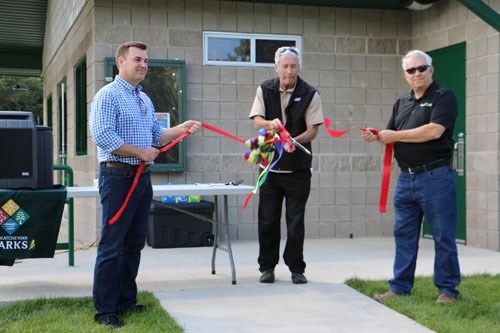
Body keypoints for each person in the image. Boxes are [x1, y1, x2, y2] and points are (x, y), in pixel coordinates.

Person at [89, 41, 201, 328]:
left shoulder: (144, 100)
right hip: (117, 178)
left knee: (135, 243)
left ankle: (127, 301)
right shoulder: (107, 96)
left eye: (146, 61)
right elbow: (102, 135)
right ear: (121, 63)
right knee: (113, 244)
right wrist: (140, 153)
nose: (143, 65)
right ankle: (105, 311)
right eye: (137, 59)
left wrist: (182, 127)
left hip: (141, 179)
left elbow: (156, 136)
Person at [362, 50, 461, 303]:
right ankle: (400, 287)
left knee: (443, 235)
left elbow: (433, 131)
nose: (417, 73)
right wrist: (378, 135)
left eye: (421, 68)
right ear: (405, 75)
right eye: (411, 70)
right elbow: (391, 133)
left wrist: (393, 135)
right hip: (406, 180)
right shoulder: (401, 102)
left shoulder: (443, 97)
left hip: (435, 177)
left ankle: (447, 290)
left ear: (431, 70)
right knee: (403, 235)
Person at [248, 46, 324, 284]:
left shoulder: (310, 93)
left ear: (298, 67)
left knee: (295, 221)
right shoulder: (265, 88)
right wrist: (271, 125)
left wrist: (293, 140)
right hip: (269, 169)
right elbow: (256, 120)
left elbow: (313, 130)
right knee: (267, 220)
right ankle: (267, 267)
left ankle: (296, 268)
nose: (289, 71)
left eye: (293, 66)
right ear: (276, 67)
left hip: (298, 171)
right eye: (285, 66)